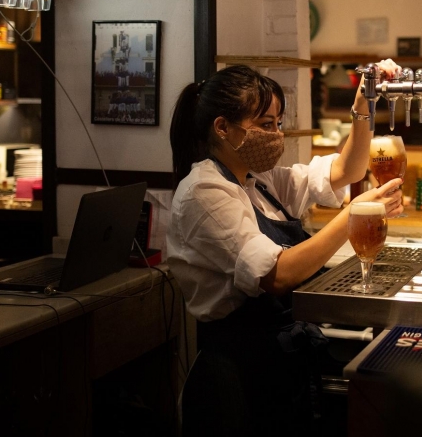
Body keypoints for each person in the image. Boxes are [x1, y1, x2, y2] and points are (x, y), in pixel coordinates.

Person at [168, 62, 403, 436]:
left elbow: (349, 169)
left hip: (281, 360)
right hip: (237, 372)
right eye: (265, 124)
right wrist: (355, 217)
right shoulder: (204, 193)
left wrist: (364, 101)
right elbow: (278, 275)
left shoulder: (259, 182)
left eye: (278, 123)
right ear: (222, 128)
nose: (276, 134)